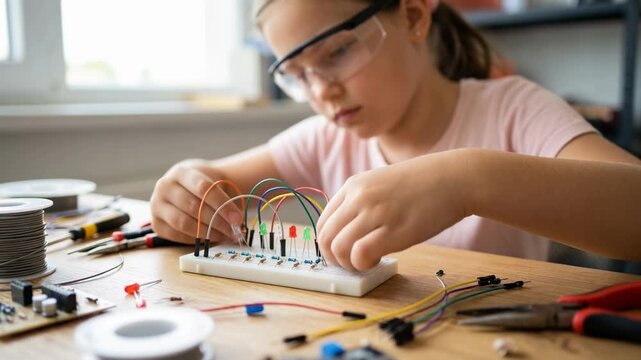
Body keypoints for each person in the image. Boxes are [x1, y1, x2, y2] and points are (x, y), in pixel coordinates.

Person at [150, 0, 641, 271]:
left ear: (412, 16)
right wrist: (185, 186)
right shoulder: (325, 136)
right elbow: (213, 185)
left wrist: (465, 179)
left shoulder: (513, 108)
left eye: (338, 52)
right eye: (297, 74)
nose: (323, 91)